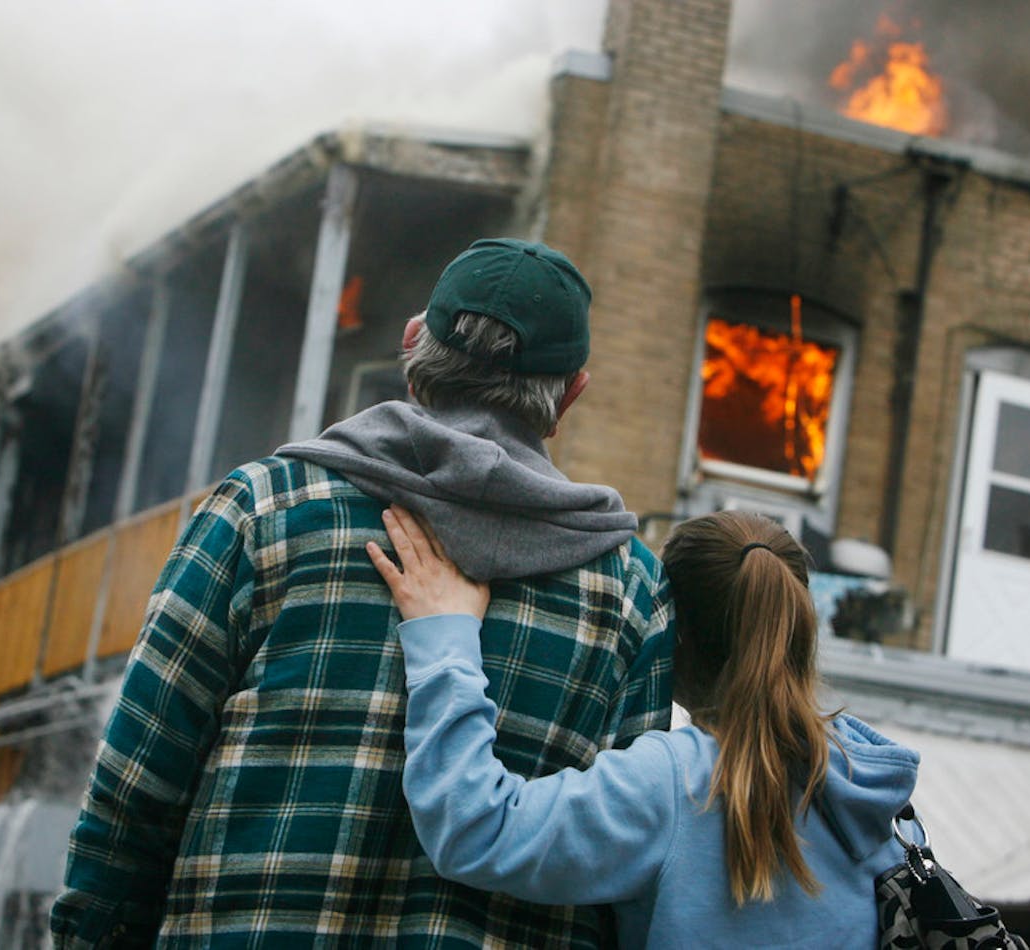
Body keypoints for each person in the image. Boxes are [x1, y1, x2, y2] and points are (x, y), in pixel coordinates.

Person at [50, 238, 676, 947]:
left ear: (414, 347)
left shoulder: (260, 512)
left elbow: (134, 793)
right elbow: (627, 866)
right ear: (570, 394)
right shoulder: (633, 592)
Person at [368, 506, 920, 949]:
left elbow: (476, 831)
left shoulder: (674, 786)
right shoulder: (875, 792)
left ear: (673, 633)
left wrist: (445, 642)